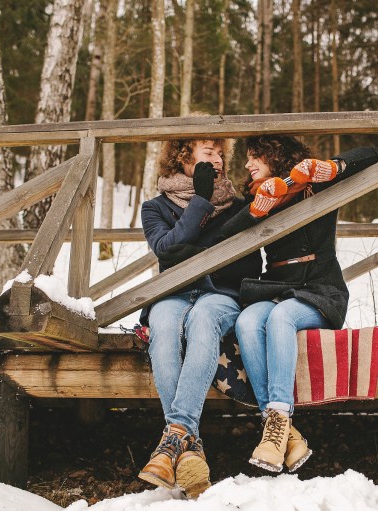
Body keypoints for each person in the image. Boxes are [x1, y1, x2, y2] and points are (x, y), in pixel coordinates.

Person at [218, 135, 378, 473]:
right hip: (275, 286)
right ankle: (283, 434)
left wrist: (333, 167)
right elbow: (225, 235)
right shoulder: (258, 194)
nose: (248, 165)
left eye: (255, 157)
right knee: (248, 321)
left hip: (319, 288)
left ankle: (277, 417)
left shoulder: (314, 185)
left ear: (275, 156)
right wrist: (253, 211)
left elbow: (372, 153)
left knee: (280, 318)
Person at [137, 138, 262, 498]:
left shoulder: (238, 204)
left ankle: (173, 439)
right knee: (163, 326)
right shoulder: (154, 207)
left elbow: (248, 263)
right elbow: (165, 248)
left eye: (221, 154)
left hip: (221, 295)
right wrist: (201, 201)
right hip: (174, 293)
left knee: (203, 319)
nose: (218, 160)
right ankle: (189, 448)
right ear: (182, 157)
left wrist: (192, 250)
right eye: (209, 153)